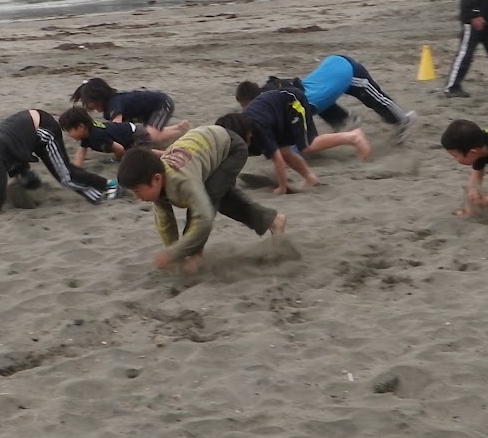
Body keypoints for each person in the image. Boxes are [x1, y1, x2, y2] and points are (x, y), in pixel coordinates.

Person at [117, 118, 286, 274]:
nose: (137, 197)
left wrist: (178, 252)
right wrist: (173, 254)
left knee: (209, 199)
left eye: (138, 191)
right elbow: (165, 224)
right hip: (205, 148)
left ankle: (196, 256)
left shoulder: (181, 180)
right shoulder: (158, 185)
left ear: (156, 179)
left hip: (230, 148)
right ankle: (273, 220)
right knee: (220, 197)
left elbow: (203, 218)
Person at [0, 109, 119, 215]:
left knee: (66, 177)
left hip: (43, 130)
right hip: (35, 133)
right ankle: (31, 180)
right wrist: (25, 174)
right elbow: (11, 157)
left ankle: (108, 187)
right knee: (57, 172)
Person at [236, 54, 417, 138]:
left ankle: (403, 119)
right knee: (317, 101)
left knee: (375, 99)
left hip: (345, 69)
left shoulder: (287, 103)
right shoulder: (273, 99)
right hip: (322, 82)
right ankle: (346, 120)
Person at [236, 88, 369, 195]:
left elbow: (277, 160)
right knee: (285, 151)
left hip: (292, 102)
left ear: (248, 135)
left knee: (307, 145)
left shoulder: (258, 129)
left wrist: (282, 187)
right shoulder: (241, 127)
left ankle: (353, 136)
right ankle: (310, 178)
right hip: (277, 114)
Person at [58, 105, 183, 167]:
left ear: (81, 127)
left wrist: (118, 160)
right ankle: (177, 132)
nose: (68, 135)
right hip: (129, 133)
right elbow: (81, 152)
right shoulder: (87, 133)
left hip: (135, 134)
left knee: (143, 154)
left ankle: (172, 154)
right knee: (138, 152)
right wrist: (76, 168)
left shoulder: (96, 136)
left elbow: (119, 149)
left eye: (69, 130)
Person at [69, 78, 182, 134]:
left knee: (151, 136)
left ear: (99, 97)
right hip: (148, 112)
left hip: (162, 104)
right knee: (146, 134)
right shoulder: (108, 111)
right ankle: (179, 128)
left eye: (90, 102)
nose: (89, 106)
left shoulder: (114, 103)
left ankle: (179, 132)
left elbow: (116, 127)